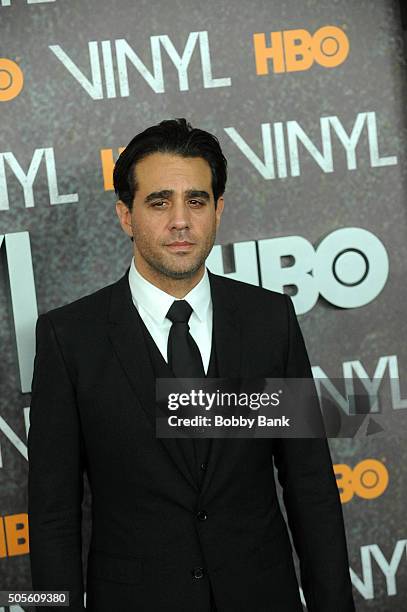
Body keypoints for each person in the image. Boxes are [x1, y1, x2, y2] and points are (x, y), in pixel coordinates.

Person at [28, 118, 355, 611]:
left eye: (196, 201)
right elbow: (53, 515)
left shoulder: (269, 320)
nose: (180, 220)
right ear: (125, 215)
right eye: (159, 202)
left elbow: (309, 485)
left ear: (218, 210)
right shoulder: (69, 338)